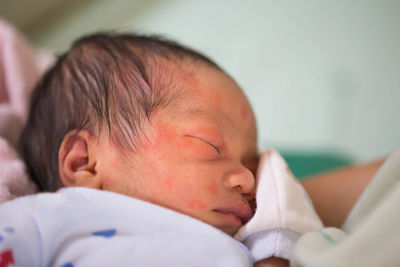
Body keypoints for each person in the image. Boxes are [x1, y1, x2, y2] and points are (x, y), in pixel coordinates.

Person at [0, 32, 390, 267]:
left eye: (250, 162)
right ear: (84, 163)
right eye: (209, 145)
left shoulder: (239, 243)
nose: (248, 178)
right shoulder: (46, 217)